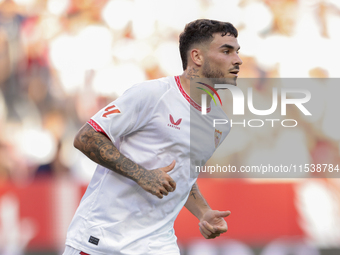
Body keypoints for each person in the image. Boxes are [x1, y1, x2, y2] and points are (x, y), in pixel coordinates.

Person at [63, 19, 243, 255]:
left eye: (237, 52)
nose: (238, 60)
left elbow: (182, 174)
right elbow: (85, 137)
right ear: (197, 57)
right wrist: (142, 175)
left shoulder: (220, 123)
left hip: (158, 245)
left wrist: (203, 212)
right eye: (226, 51)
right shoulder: (152, 94)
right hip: (103, 241)